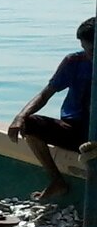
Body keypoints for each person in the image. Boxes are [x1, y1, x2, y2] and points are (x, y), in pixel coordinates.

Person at [8, 17, 95, 200]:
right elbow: (45, 94)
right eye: (87, 50)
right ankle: (56, 180)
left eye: (93, 51)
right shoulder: (74, 61)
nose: (90, 56)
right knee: (29, 124)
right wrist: (20, 116)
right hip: (75, 128)